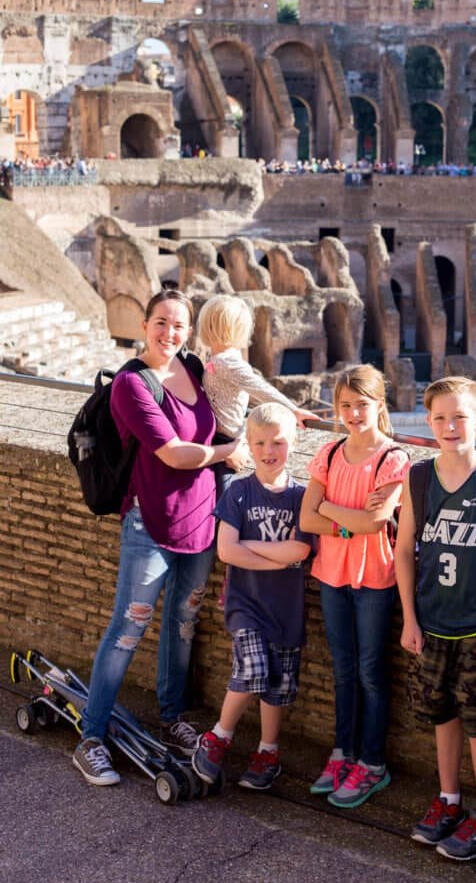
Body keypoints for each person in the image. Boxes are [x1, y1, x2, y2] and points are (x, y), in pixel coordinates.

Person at [72, 288, 246, 787]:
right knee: (128, 629)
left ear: (189, 331)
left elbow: (231, 404)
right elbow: (173, 453)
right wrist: (229, 452)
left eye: (179, 325)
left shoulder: (194, 368)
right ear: (145, 325)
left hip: (201, 521)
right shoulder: (131, 384)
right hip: (149, 522)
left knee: (183, 622)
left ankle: (172, 717)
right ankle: (91, 738)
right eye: (161, 323)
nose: (170, 333)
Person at [394, 376, 476, 861]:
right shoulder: (418, 478)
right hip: (430, 625)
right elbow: (403, 551)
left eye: (460, 417)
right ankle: (449, 800)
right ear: (429, 422)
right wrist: (409, 619)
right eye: (441, 418)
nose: (451, 426)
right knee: (441, 715)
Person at [300, 364, 409, 808]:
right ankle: (342, 752)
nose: (353, 413)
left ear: (379, 404)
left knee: (370, 671)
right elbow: (306, 519)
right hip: (332, 574)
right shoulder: (329, 453)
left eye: (362, 404)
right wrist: (348, 520)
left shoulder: (392, 458)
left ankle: (373, 762)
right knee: (343, 669)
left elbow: (375, 522)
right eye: (345, 405)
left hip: (374, 577)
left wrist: (327, 506)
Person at [191, 403, 314, 790]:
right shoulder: (239, 491)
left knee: (277, 685)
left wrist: (253, 547)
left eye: (278, 442)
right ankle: (218, 737)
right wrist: (279, 558)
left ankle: (267, 752)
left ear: (293, 442)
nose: (268, 450)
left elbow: (300, 550)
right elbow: (227, 552)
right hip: (246, 604)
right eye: (259, 443)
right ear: (249, 443)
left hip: (287, 609)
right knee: (253, 670)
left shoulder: (302, 497)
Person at [197, 294, 315, 496]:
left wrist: (293, 411)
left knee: (224, 499)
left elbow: (260, 388)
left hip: (225, 438)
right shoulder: (218, 357)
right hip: (218, 436)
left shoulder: (226, 361)